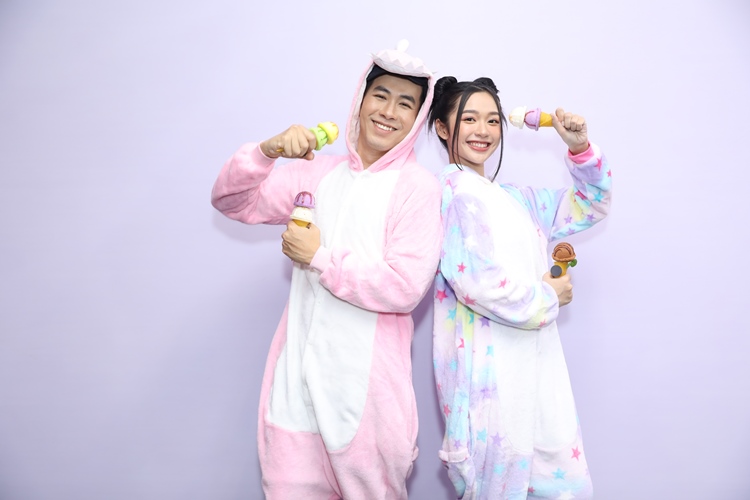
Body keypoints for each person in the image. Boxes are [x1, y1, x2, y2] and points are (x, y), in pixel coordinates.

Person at [210, 43, 442, 499]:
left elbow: (404, 286)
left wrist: (320, 257)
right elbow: (231, 201)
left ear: (417, 118)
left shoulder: (417, 188)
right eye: (380, 95)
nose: (388, 111)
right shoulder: (316, 174)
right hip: (294, 401)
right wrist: (266, 152)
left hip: (368, 409)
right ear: (360, 99)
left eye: (405, 103)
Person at [429, 76, 611, 499]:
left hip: (538, 372)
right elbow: (478, 284)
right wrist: (549, 297)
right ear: (442, 127)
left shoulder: (517, 199)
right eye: (469, 119)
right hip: (489, 382)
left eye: (492, 120)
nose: (483, 130)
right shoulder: (452, 195)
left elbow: (591, 204)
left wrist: (580, 149)